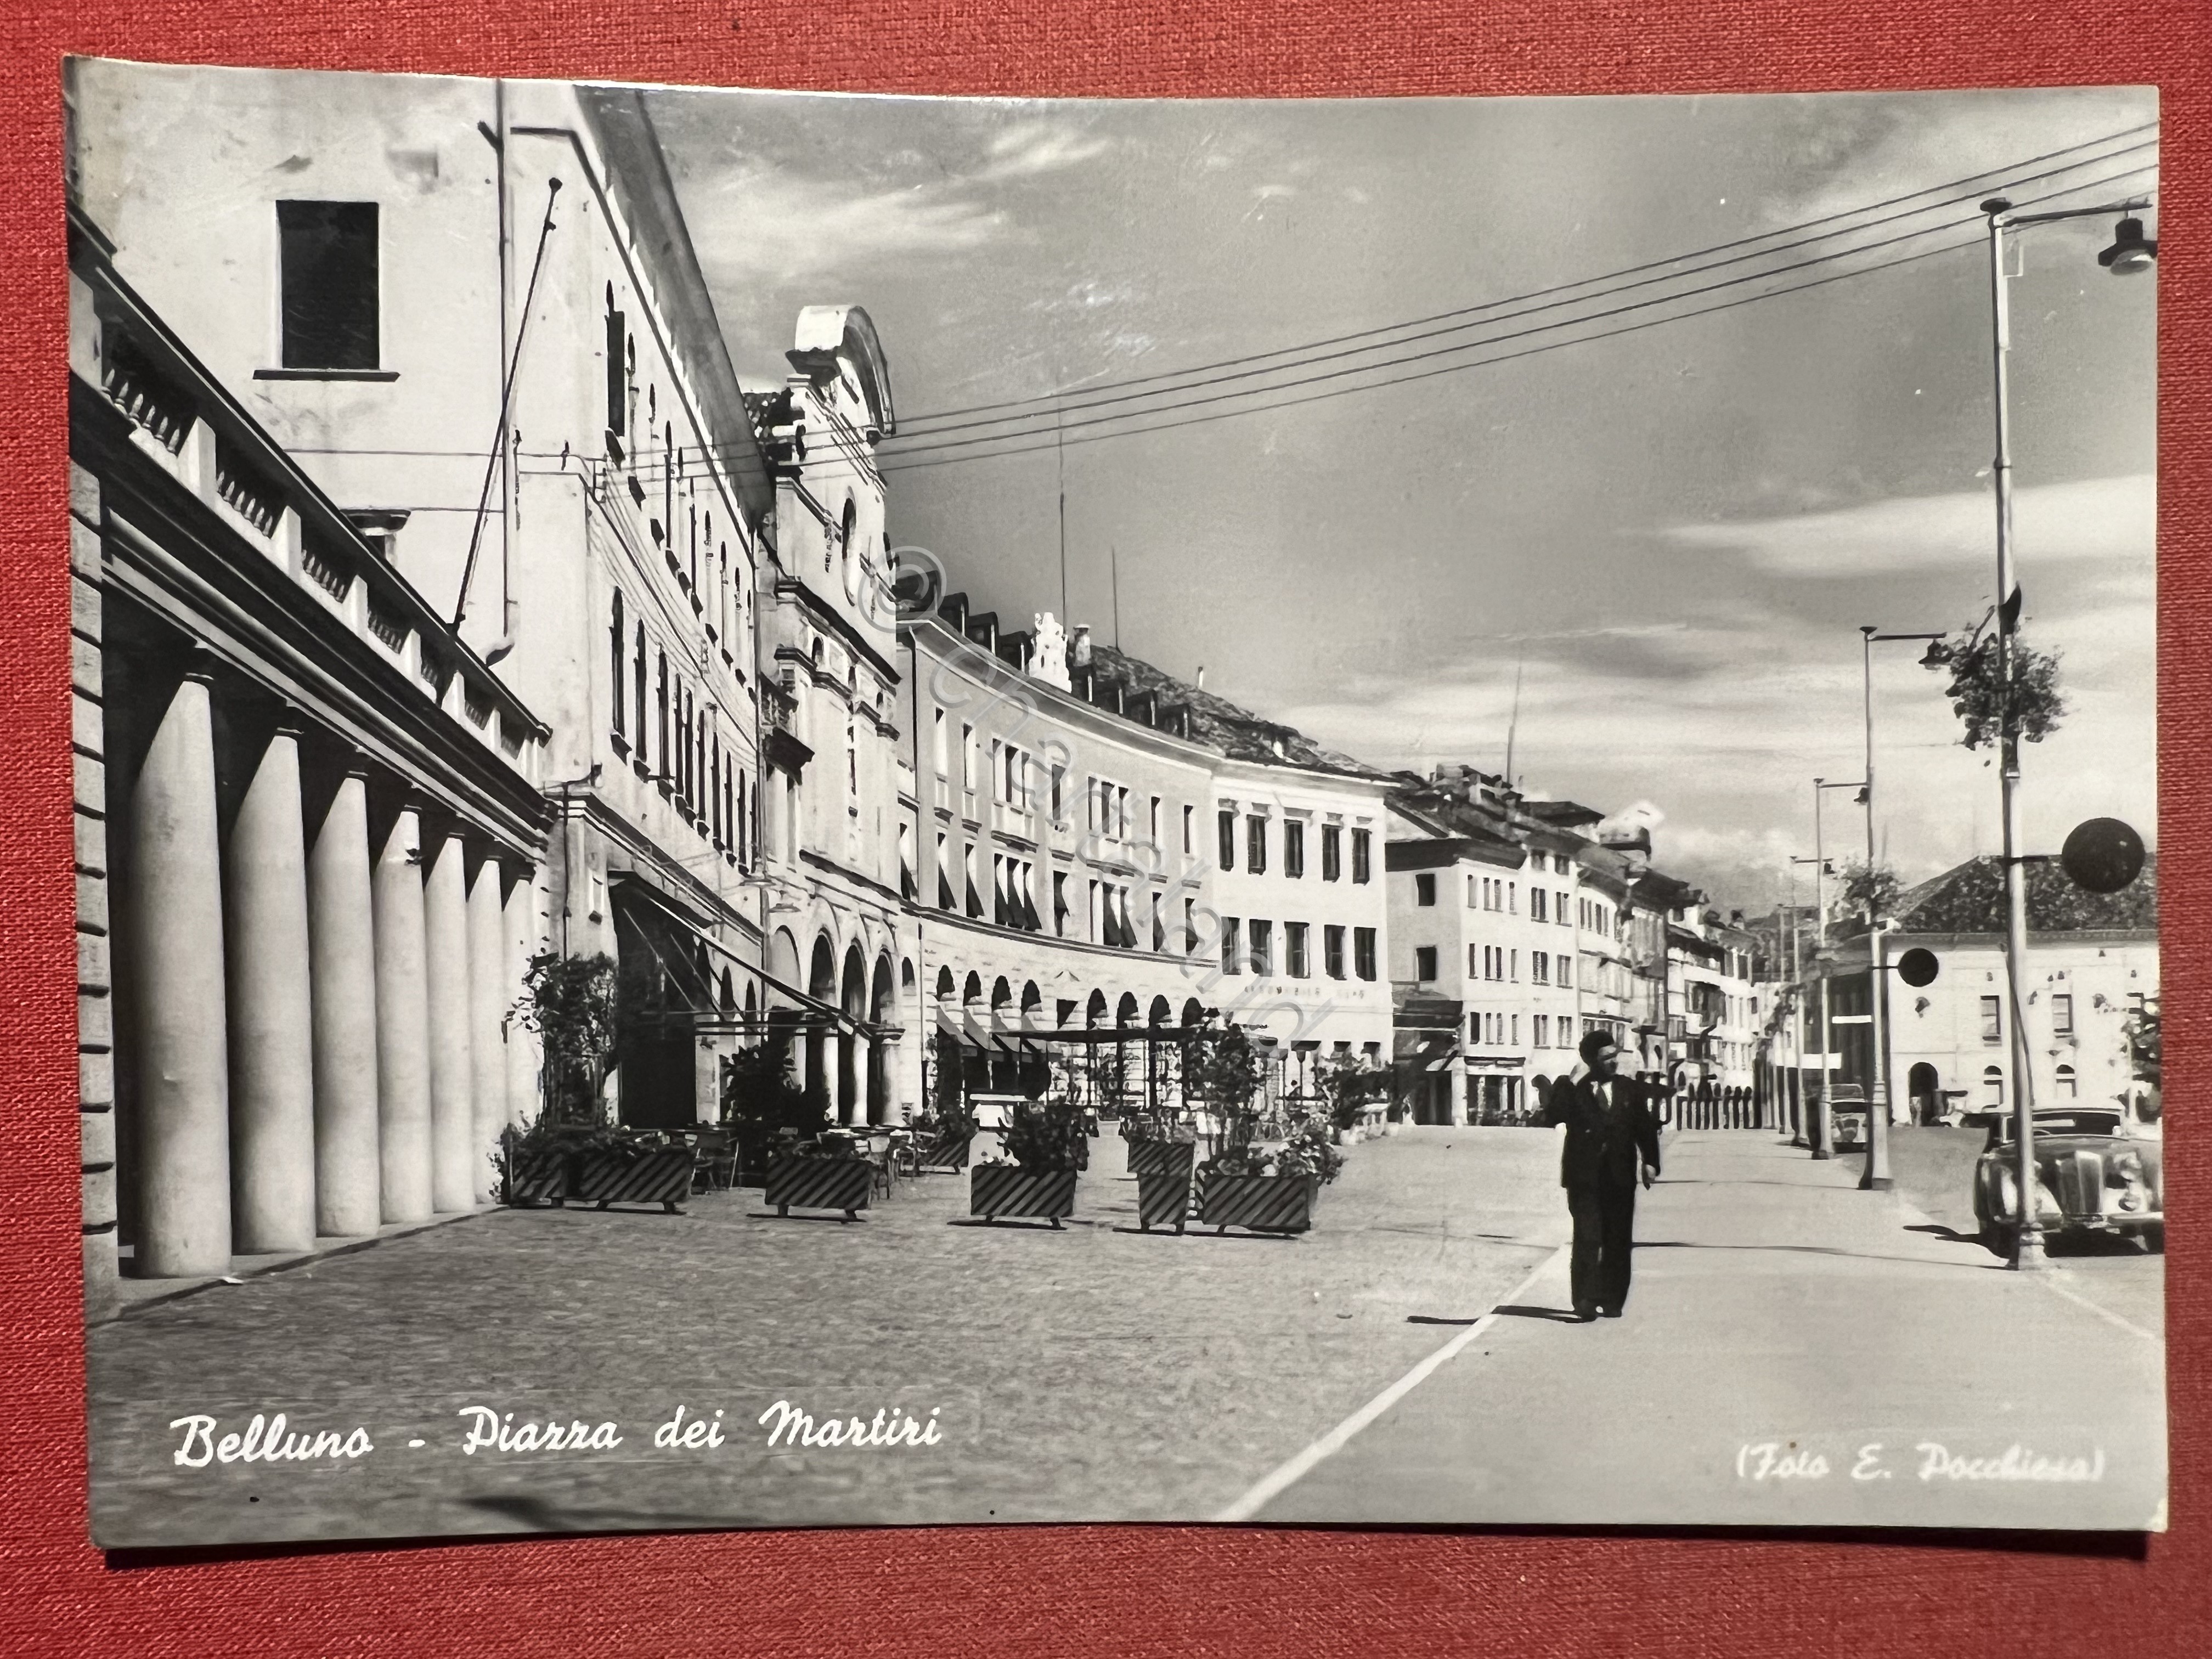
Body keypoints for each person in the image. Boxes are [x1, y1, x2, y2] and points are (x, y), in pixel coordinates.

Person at [1539, 1029, 1663, 1322]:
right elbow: (1552, 1116)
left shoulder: (1629, 1089)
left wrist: (1650, 1162)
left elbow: (1644, 1127)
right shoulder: (1576, 1090)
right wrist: (1568, 1083)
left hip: (1619, 1177)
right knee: (1588, 1238)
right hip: (1584, 1179)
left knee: (1617, 1240)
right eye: (1606, 1057)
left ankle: (1612, 1299)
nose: (1613, 1062)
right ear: (1591, 1061)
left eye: (1615, 1055)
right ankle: (1584, 1300)